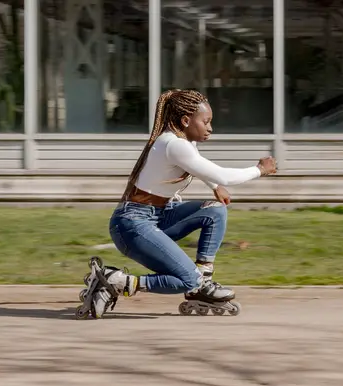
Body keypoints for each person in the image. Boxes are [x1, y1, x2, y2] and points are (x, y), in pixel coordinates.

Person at [89, 89, 277, 318]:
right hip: (132, 225)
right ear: (186, 120)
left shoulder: (182, 141)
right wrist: (260, 169)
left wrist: (214, 186)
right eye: (206, 122)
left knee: (214, 210)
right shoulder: (173, 144)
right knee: (186, 280)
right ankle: (117, 281)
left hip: (157, 216)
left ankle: (202, 285)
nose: (210, 128)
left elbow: (197, 167)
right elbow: (224, 175)